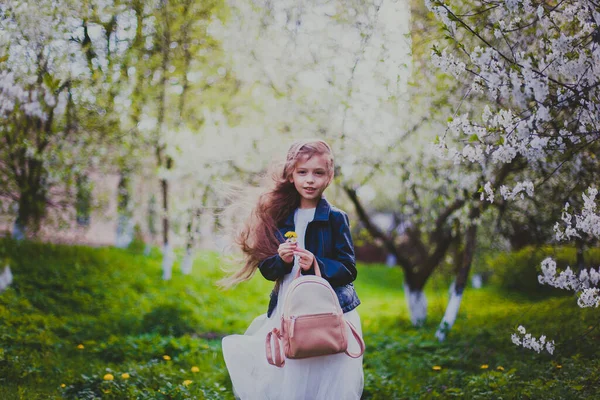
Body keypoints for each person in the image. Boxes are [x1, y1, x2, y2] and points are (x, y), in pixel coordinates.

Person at [220, 139, 364, 400]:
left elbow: (348, 269)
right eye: (302, 172)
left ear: (329, 177)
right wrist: (282, 260)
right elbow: (268, 270)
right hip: (290, 307)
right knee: (293, 366)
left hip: (328, 310)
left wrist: (317, 264)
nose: (310, 180)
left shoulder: (335, 218)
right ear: (291, 175)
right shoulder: (279, 217)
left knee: (327, 368)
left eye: (318, 173)